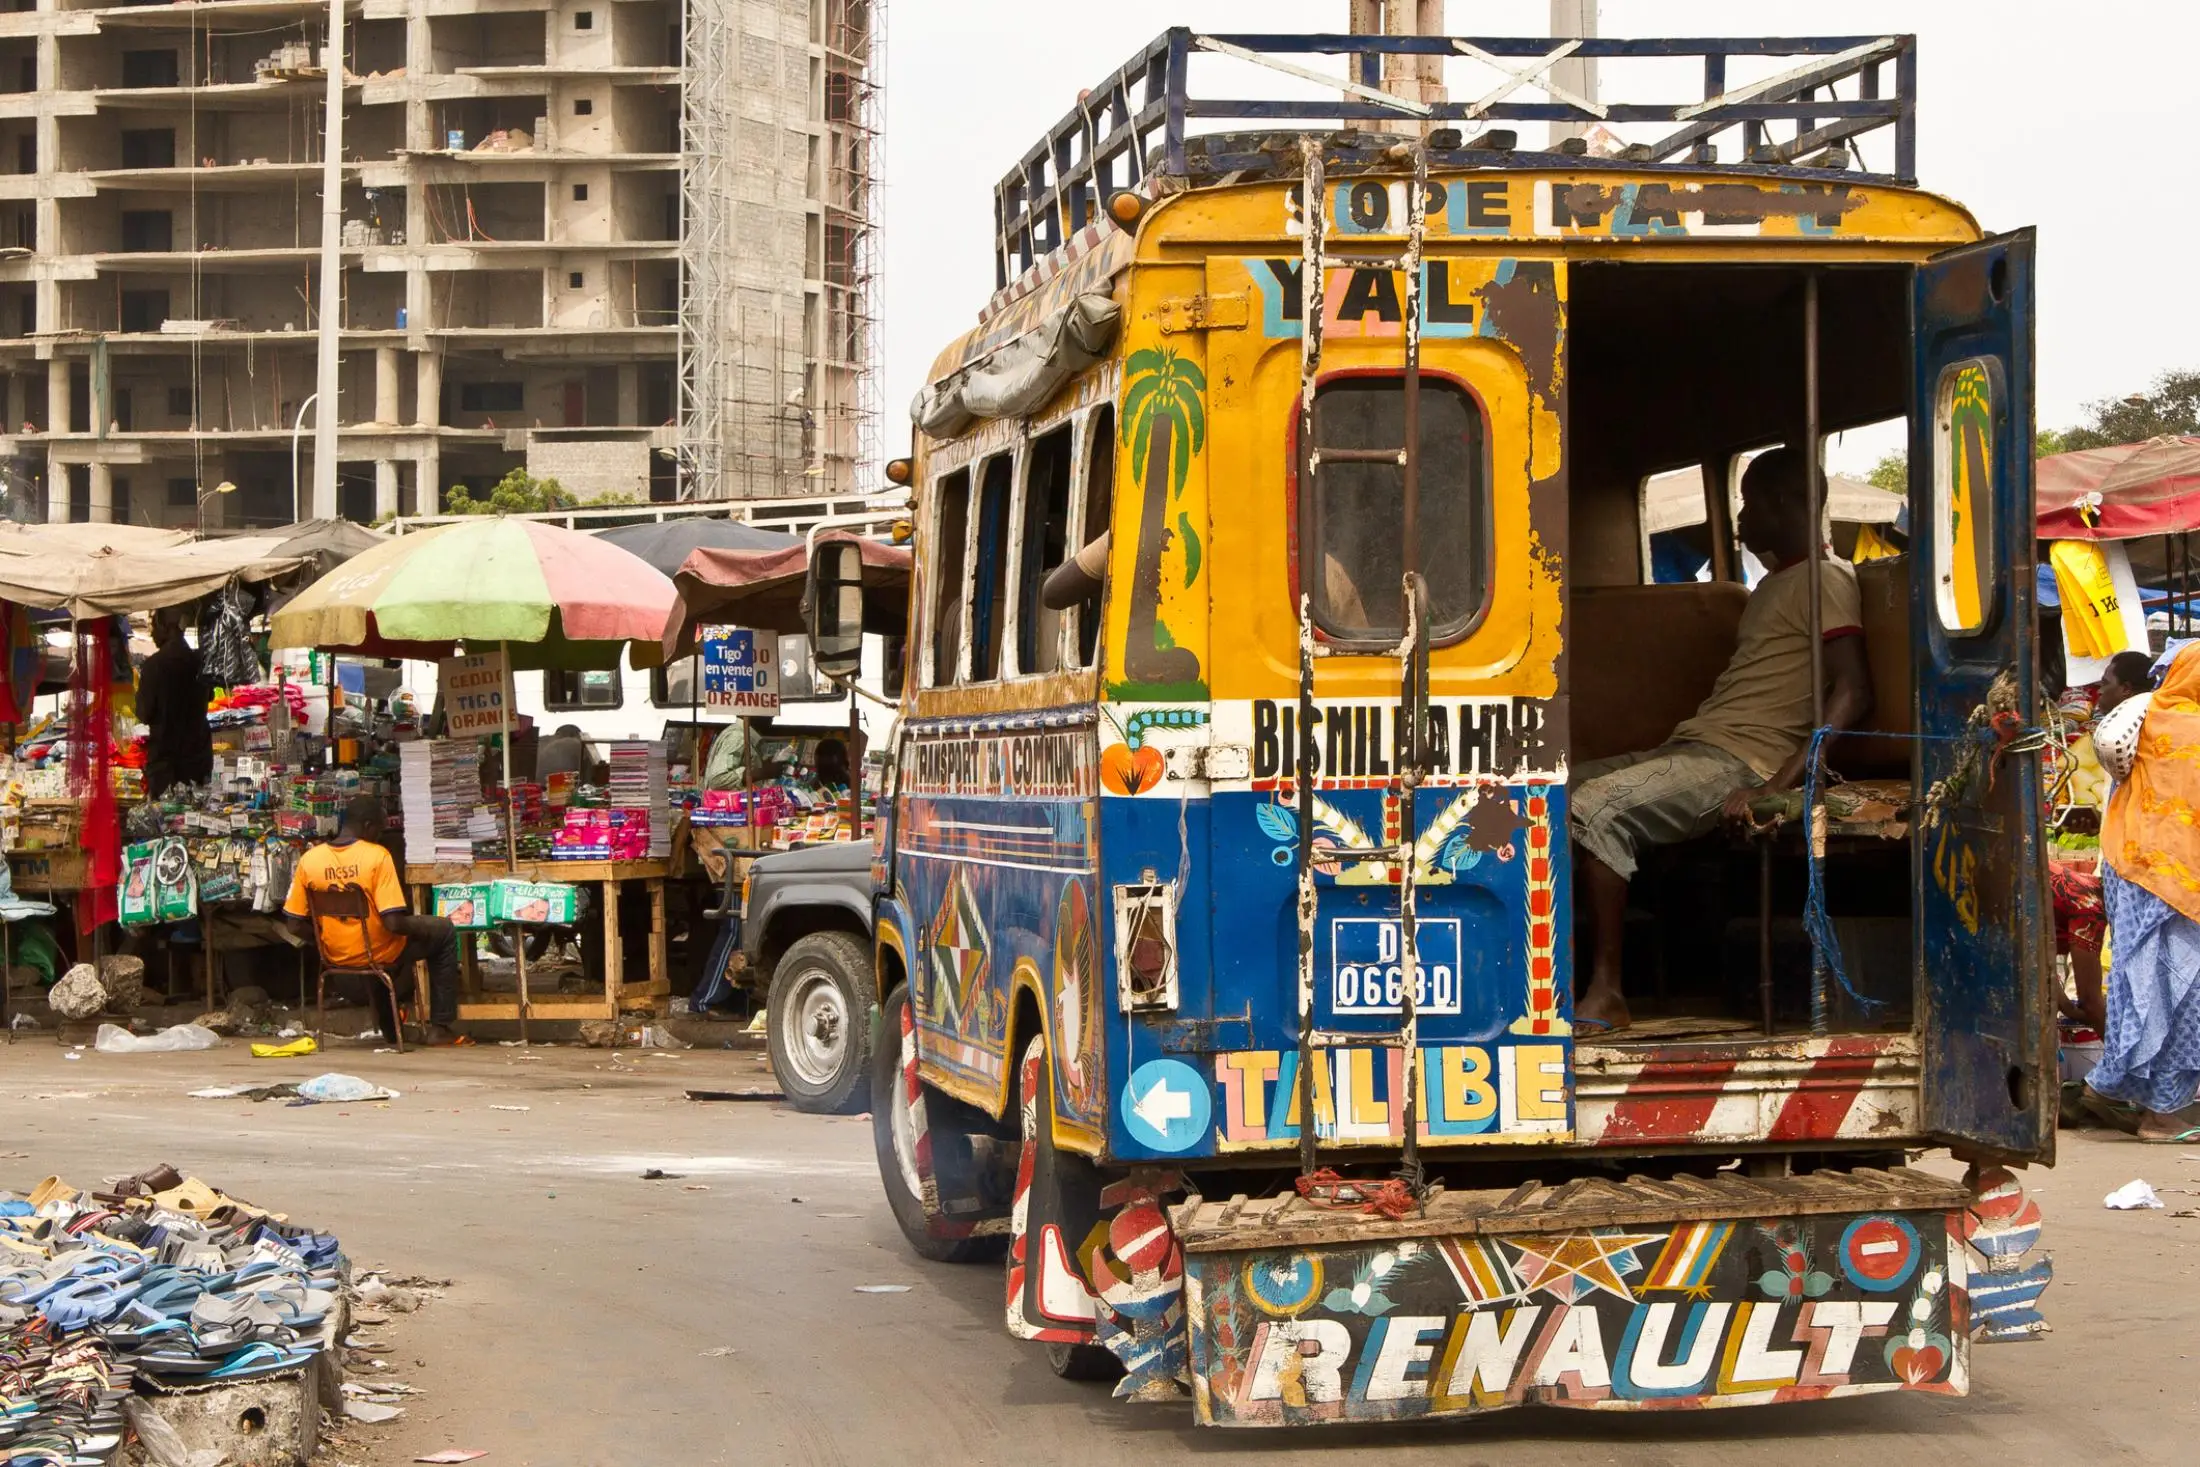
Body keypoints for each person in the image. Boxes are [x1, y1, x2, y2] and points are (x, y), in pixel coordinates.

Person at [1569, 447, 1873, 1033]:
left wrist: (1776, 783)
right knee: (1550, 789)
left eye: (1750, 501)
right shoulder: (1773, 586)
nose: (1740, 516)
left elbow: (1855, 692)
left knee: (1594, 808)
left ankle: (1608, 990)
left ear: (1788, 504)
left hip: (1742, 761)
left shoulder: (1825, 579)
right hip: (1698, 748)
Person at [2086, 642, 2200, 1141]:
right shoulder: (2190, 725)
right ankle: (2160, 1112)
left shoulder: (2146, 715)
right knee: (2183, 991)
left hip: (2130, 865)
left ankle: (2115, 1086)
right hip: (2179, 880)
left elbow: (2113, 756)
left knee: (2141, 979)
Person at [283, 795, 459, 1045]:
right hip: (378, 950)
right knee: (444, 931)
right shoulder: (378, 856)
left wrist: (325, 941)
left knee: (378, 945)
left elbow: (294, 924)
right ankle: (440, 1027)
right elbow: (394, 924)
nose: (381, 835)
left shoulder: (310, 860)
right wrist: (416, 925)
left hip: (335, 953)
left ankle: (391, 1030)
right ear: (368, 826)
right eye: (380, 829)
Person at [136, 607, 213, 797]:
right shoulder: (199, 662)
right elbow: (209, 697)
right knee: (196, 821)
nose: (152, 633)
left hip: (165, 762)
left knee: (165, 821)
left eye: (154, 626)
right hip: (197, 759)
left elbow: (144, 712)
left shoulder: (154, 666)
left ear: (167, 627)